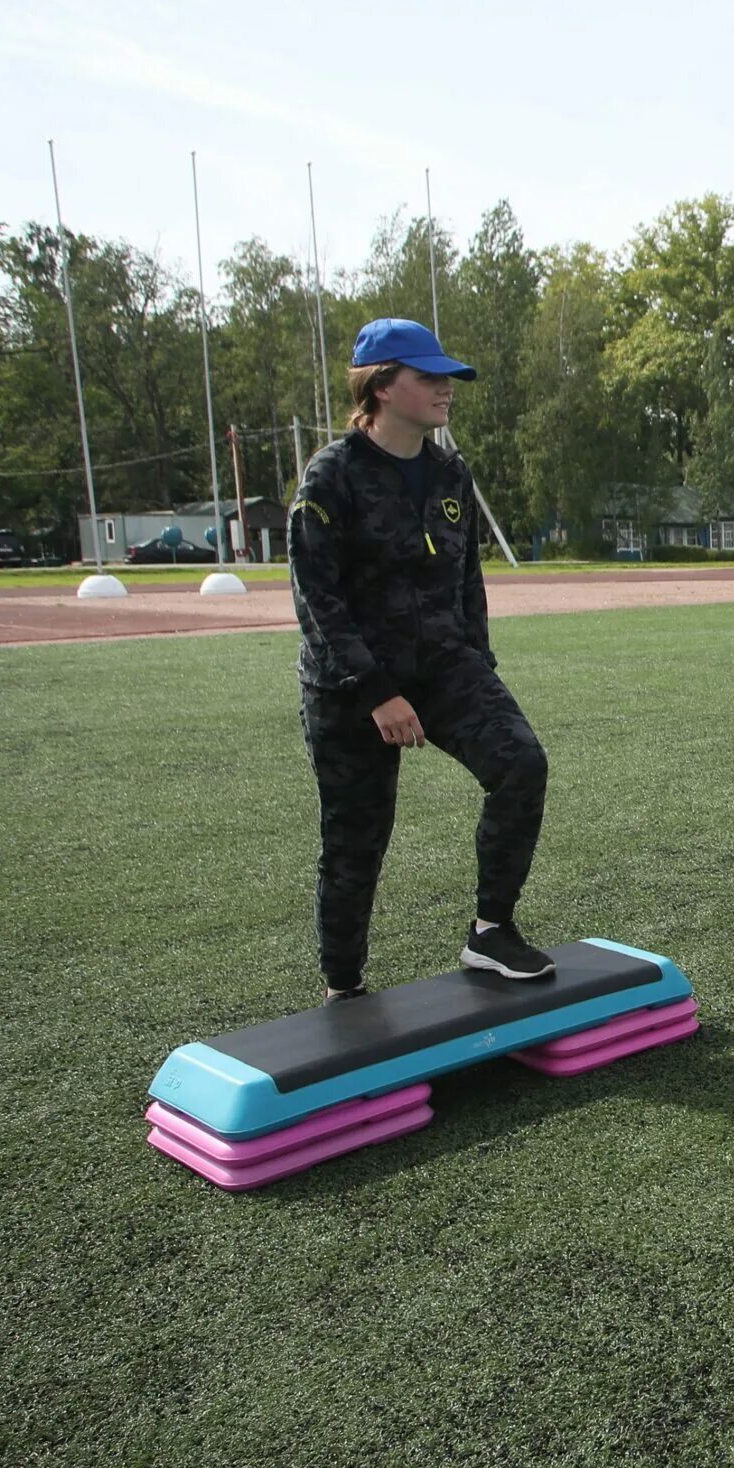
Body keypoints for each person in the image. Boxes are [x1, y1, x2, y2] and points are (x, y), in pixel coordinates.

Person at [289, 318, 553, 996]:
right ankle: (343, 989)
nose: (446, 389)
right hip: (351, 685)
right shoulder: (332, 476)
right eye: (428, 377)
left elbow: (468, 581)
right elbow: (316, 597)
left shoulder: (448, 471)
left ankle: (491, 932)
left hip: (441, 663)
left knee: (520, 760)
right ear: (381, 386)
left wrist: (480, 666)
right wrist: (375, 691)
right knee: (357, 838)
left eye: (448, 378)